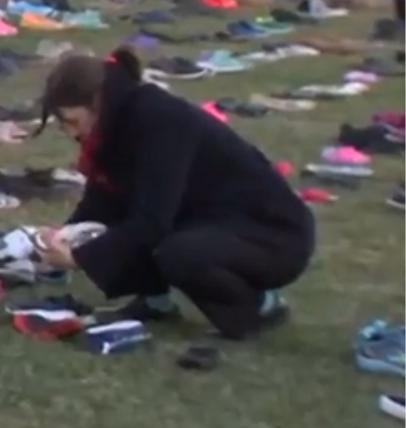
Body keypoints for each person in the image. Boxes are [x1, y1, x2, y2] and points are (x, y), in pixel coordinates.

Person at [35, 48, 316, 339]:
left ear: (96, 102)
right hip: (214, 220)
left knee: (178, 252)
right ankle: (156, 302)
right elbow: (106, 200)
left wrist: (81, 257)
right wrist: (63, 237)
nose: (71, 134)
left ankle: (258, 308)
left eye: (72, 122)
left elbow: (151, 222)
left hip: (274, 236)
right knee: (133, 227)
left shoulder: (159, 119)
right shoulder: (116, 123)